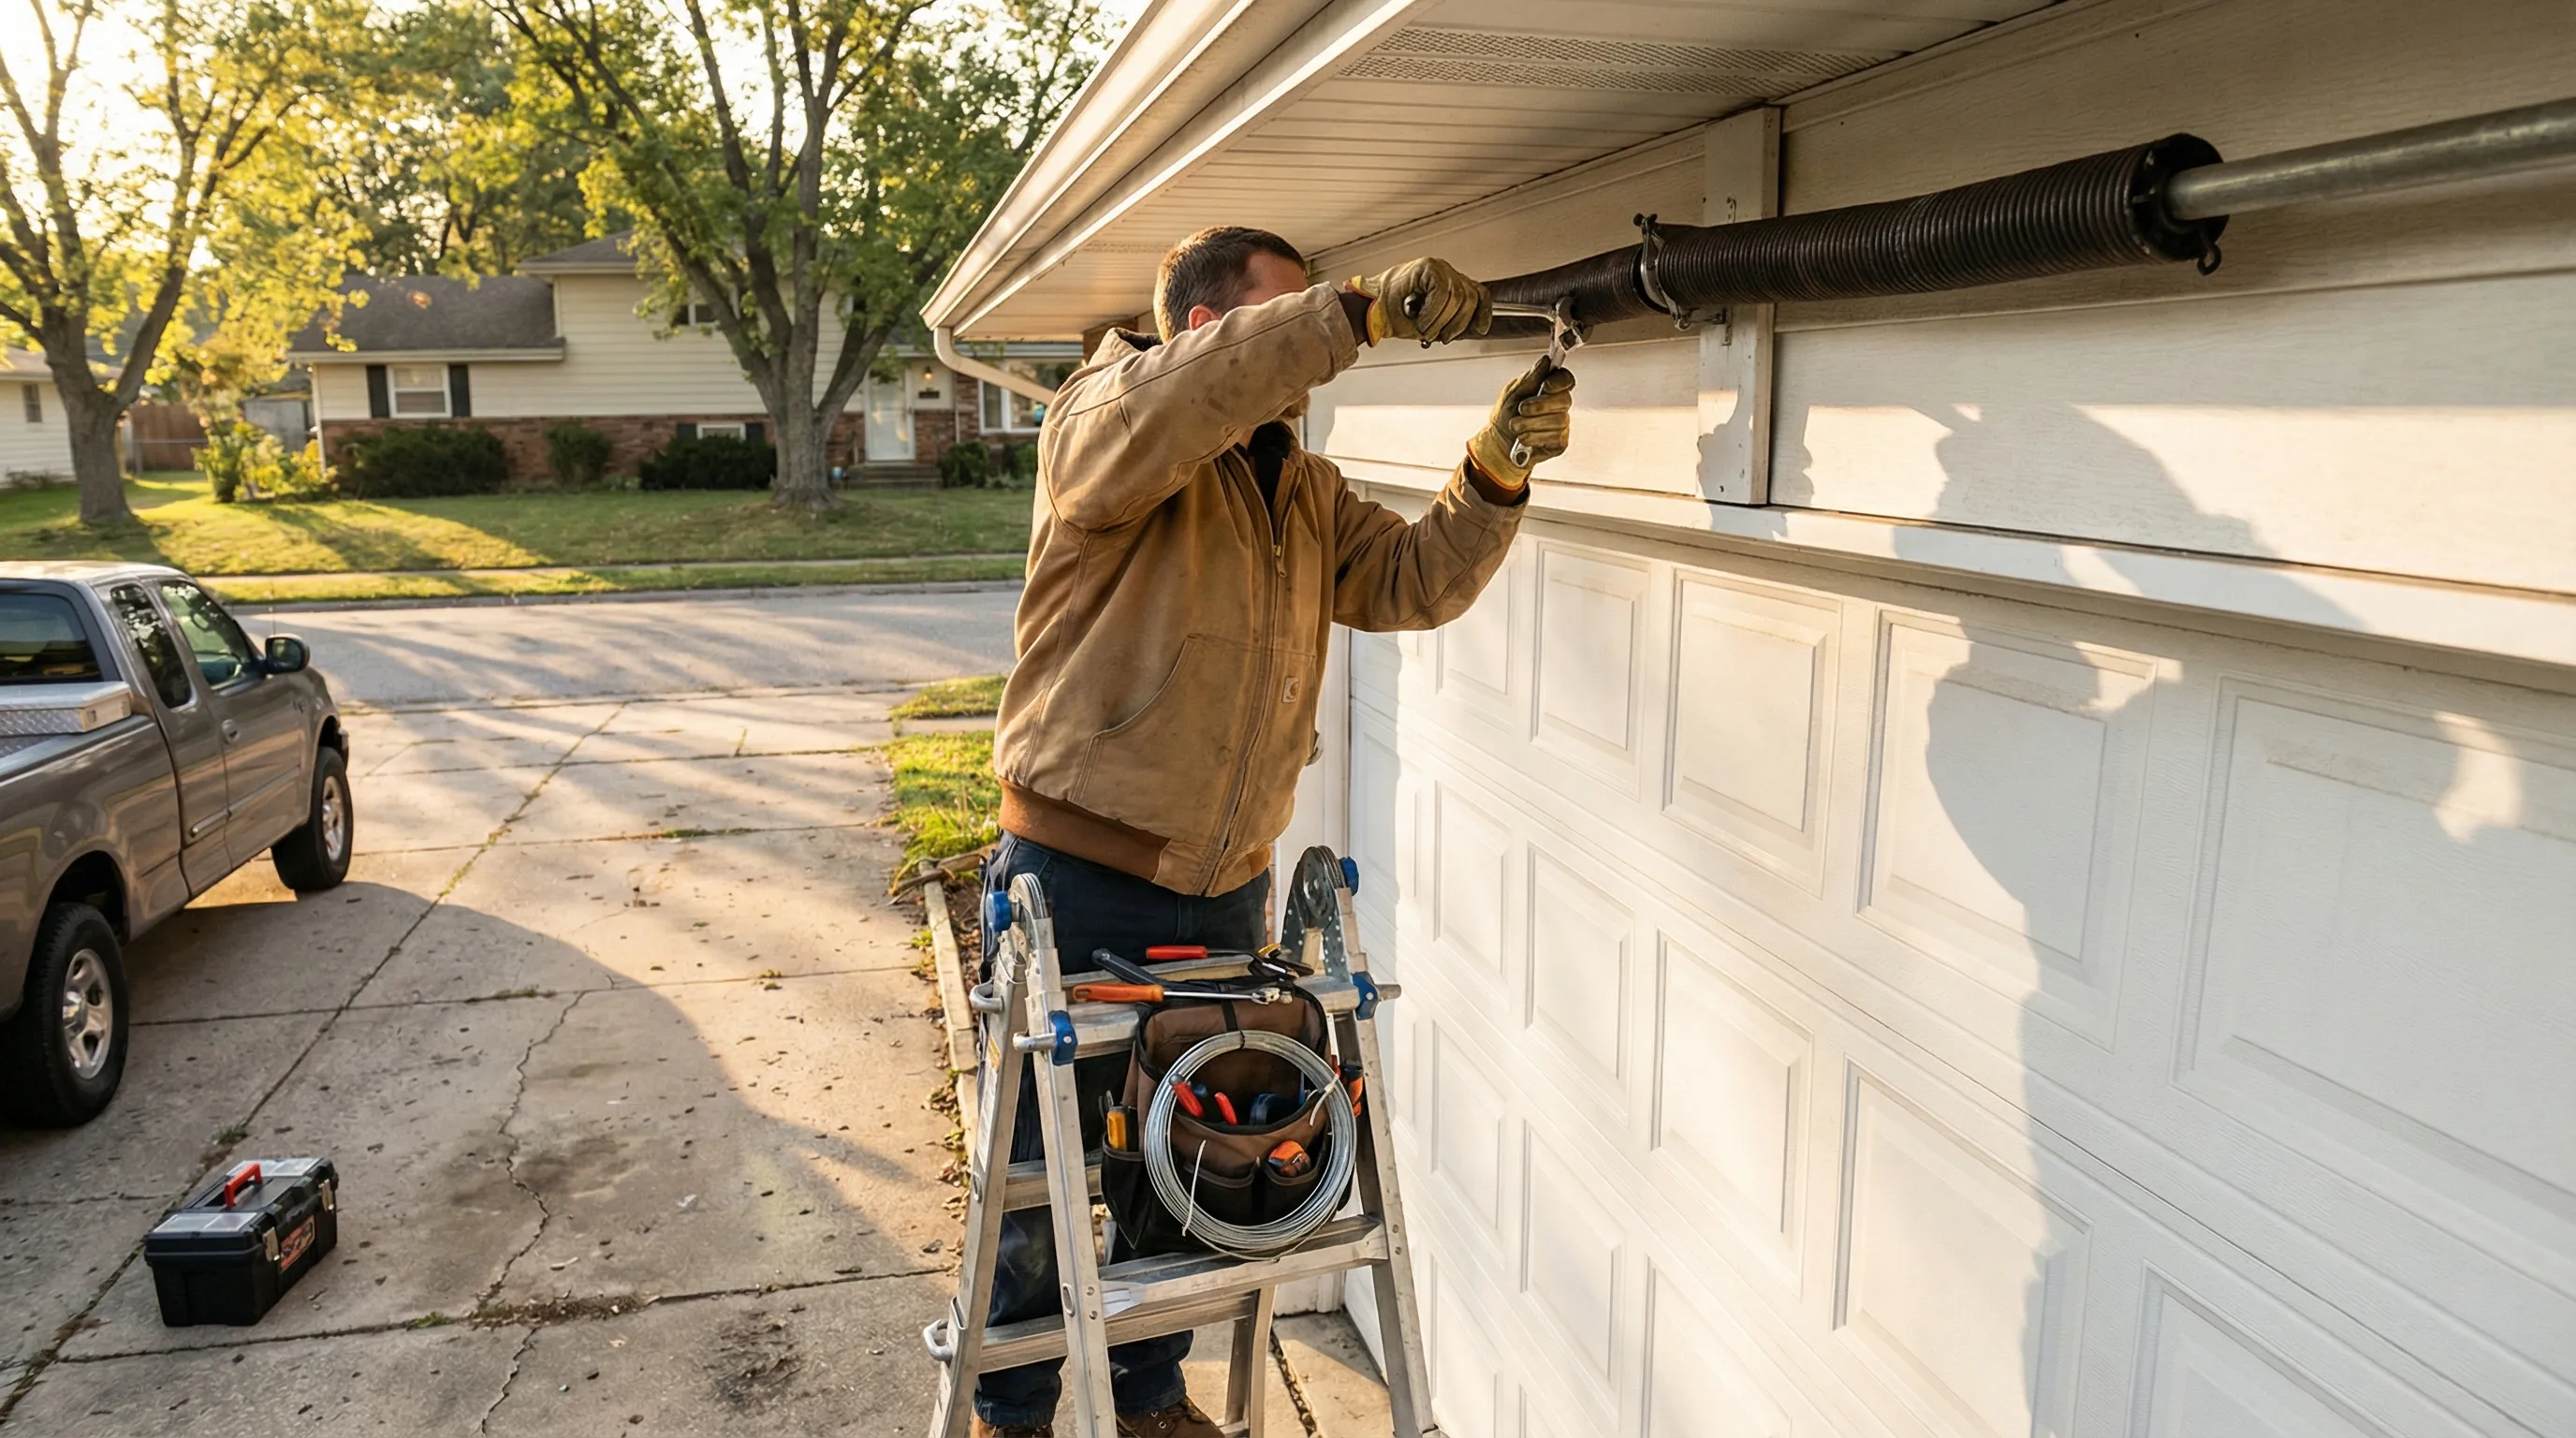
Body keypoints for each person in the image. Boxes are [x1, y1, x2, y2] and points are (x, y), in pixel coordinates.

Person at [973, 226, 1574, 1438]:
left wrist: (1497, 466)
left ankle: (1148, 1397)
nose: (1311, 356)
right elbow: (1176, 402)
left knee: (1181, 1167)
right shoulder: (1103, 422)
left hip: (1226, 890)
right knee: (1045, 1185)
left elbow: (1411, 579)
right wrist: (1352, 310)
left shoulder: (1300, 490)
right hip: (1079, 873)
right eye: (1281, 322)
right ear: (1208, 327)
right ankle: (1015, 1412)